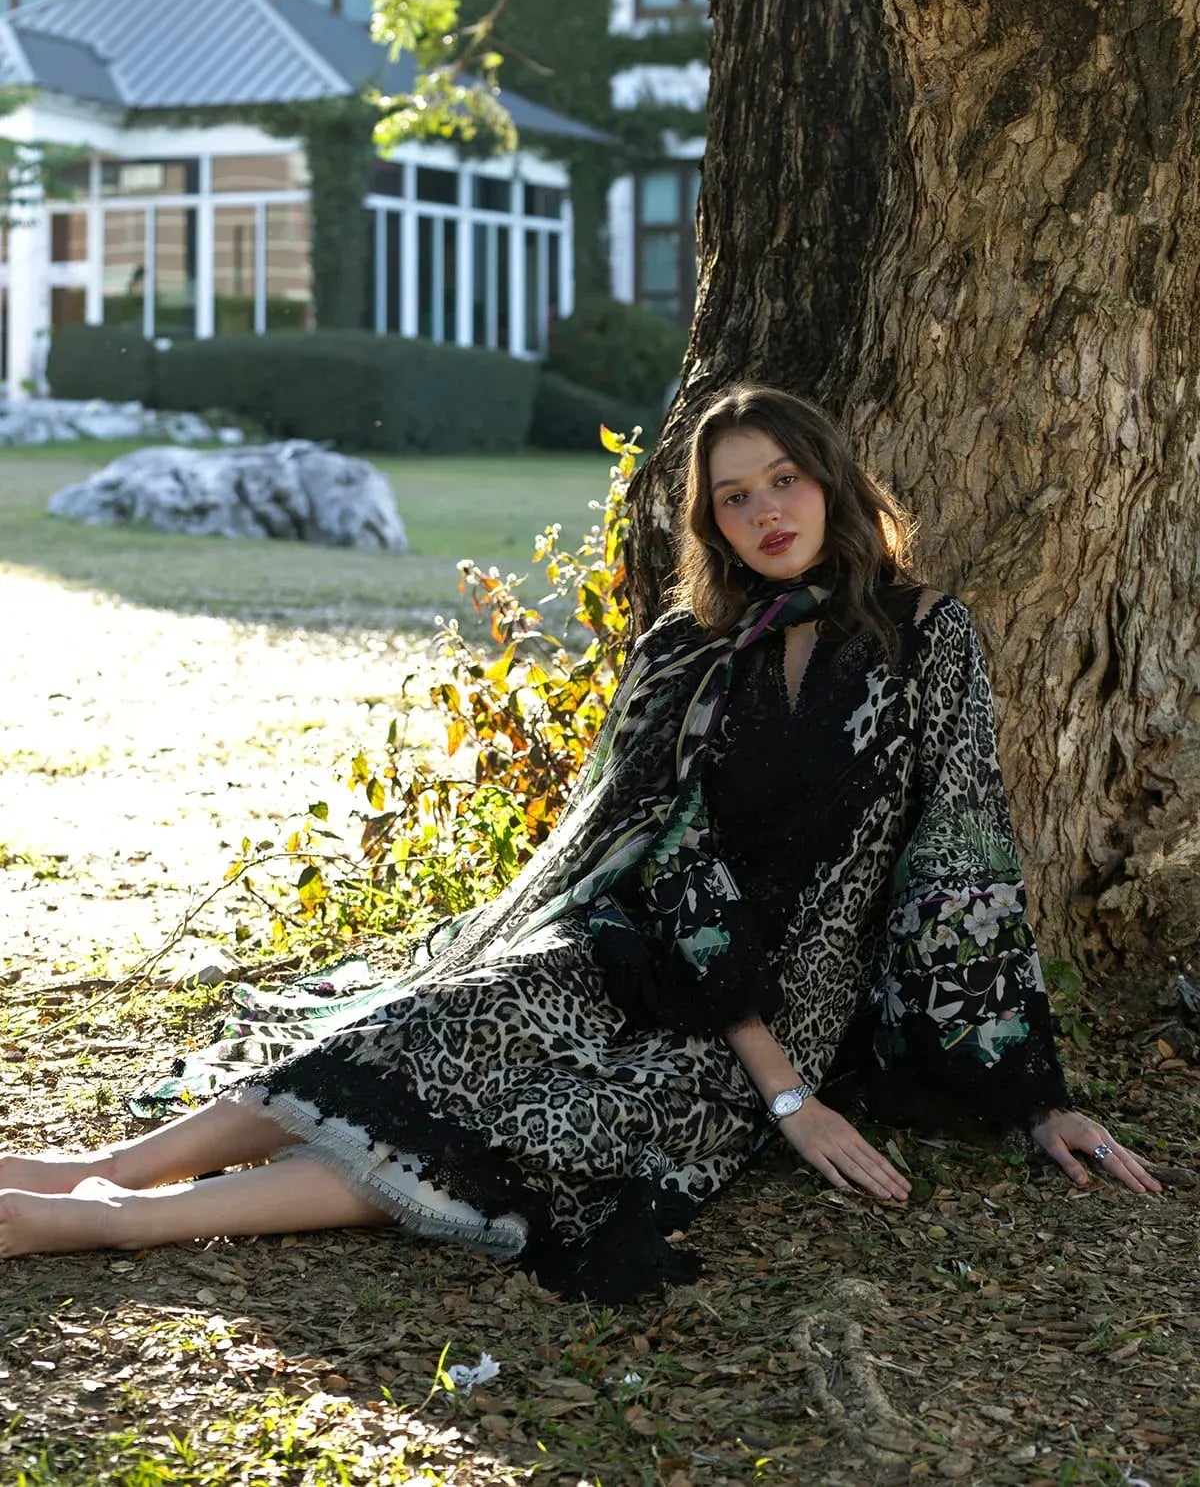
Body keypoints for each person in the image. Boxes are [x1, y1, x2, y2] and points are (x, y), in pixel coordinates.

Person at [0, 385, 1160, 1294]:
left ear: (832, 482)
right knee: (438, 1024)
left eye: (785, 479)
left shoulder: (926, 635)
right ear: (710, 521)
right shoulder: (685, 648)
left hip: (780, 1004)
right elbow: (665, 851)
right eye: (734, 497)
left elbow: (962, 854)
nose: (766, 512)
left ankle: (119, 1219)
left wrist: (1030, 1095)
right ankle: (100, 1170)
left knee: (530, 1134)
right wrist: (782, 1094)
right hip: (637, 947)